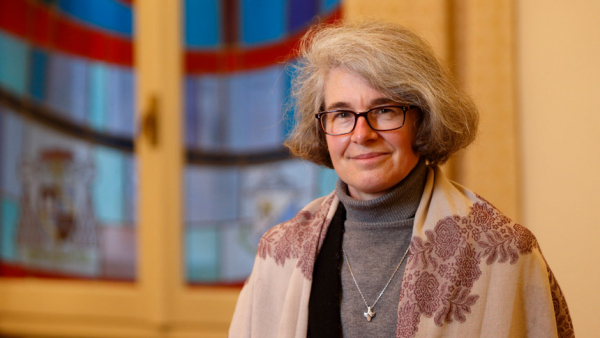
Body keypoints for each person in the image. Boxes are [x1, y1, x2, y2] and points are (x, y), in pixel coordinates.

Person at [229, 21, 574, 338]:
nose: (362, 134)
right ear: (323, 128)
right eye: (342, 114)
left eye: (385, 110)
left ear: (422, 121)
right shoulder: (279, 253)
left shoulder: (505, 253)